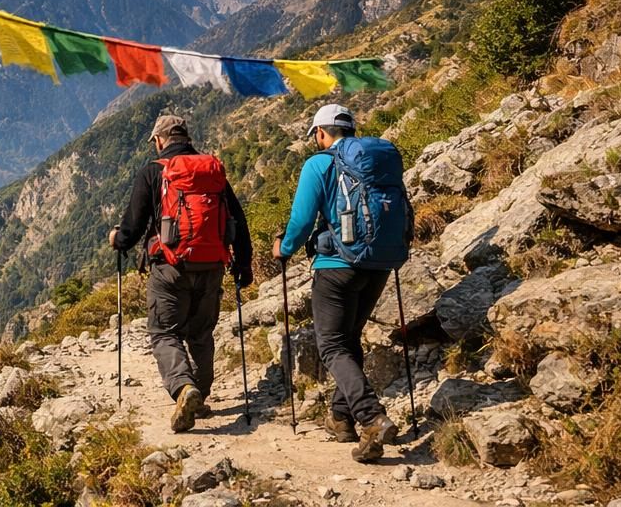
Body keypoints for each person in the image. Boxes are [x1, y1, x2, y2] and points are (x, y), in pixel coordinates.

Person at [276, 103, 407, 463]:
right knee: (348, 339)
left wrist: (283, 248)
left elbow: (302, 220)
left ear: (321, 133)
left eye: (315, 135)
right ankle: (341, 418)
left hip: (337, 265)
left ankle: (371, 417)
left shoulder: (319, 164)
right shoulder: (376, 162)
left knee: (332, 345)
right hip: (378, 264)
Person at [109, 112, 252, 433]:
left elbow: (133, 226)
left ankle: (184, 388)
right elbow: (237, 221)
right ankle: (198, 394)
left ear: (159, 141)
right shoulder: (212, 171)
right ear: (187, 139)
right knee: (201, 333)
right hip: (213, 264)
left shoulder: (153, 172)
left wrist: (118, 239)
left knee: (164, 332)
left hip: (170, 267)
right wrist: (244, 265)